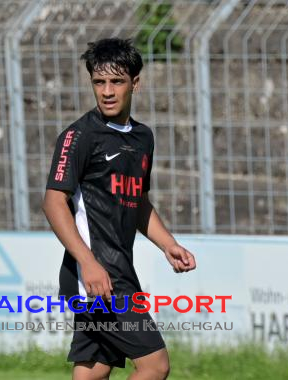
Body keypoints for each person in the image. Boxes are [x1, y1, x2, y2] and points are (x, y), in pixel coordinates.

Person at [42, 37, 196, 380]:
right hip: (95, 275)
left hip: (115, 271)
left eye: (116, 81)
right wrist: (89, 263)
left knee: (93, 371)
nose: (107, 91)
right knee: (155, 366)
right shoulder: (79, 135)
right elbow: (53, 202)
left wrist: (168, 244)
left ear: (135, 84)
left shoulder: (143, 138)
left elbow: (137, 200)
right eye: (99, 82)